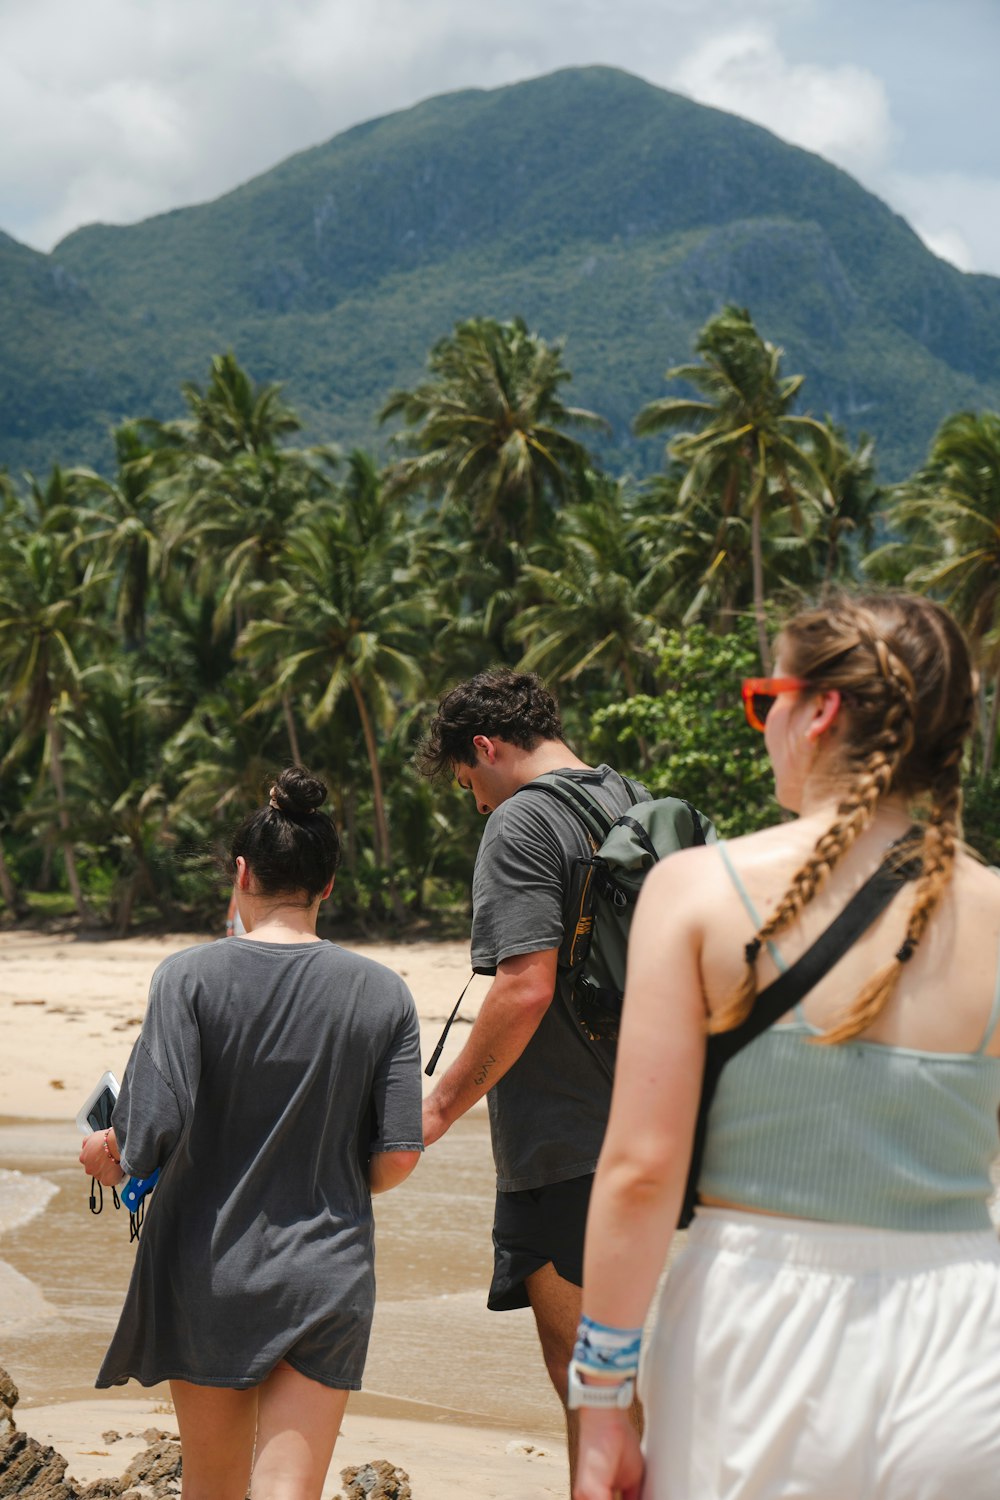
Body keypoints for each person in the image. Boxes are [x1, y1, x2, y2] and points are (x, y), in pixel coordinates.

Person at [572, 592, 1000, 1500]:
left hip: (757, 1327)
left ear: (819, 711)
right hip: (970, 1334)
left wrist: (602, 1397)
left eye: (766, 700)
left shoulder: (695, 891)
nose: (766, 727)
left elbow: (642, 1171)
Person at [79, 767, 423, 1500]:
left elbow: (146, 1136)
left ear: (240, 874)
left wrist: (102, 1155)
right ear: (328, 883)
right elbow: (396, 1157)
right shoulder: (385, 992)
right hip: (327, 1271)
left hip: (210, 1267)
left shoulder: (188, 978)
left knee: (211, 1487)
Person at [417, 667, 656, 1479]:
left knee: (590, 1386)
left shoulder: (521, 823)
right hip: (656, 1124)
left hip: (565, 1139)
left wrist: (438, 1109)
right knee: (630, 1377)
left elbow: (524, 987)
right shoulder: (629, 798)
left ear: (485, 748)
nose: (476, 802)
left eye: (467, 784)